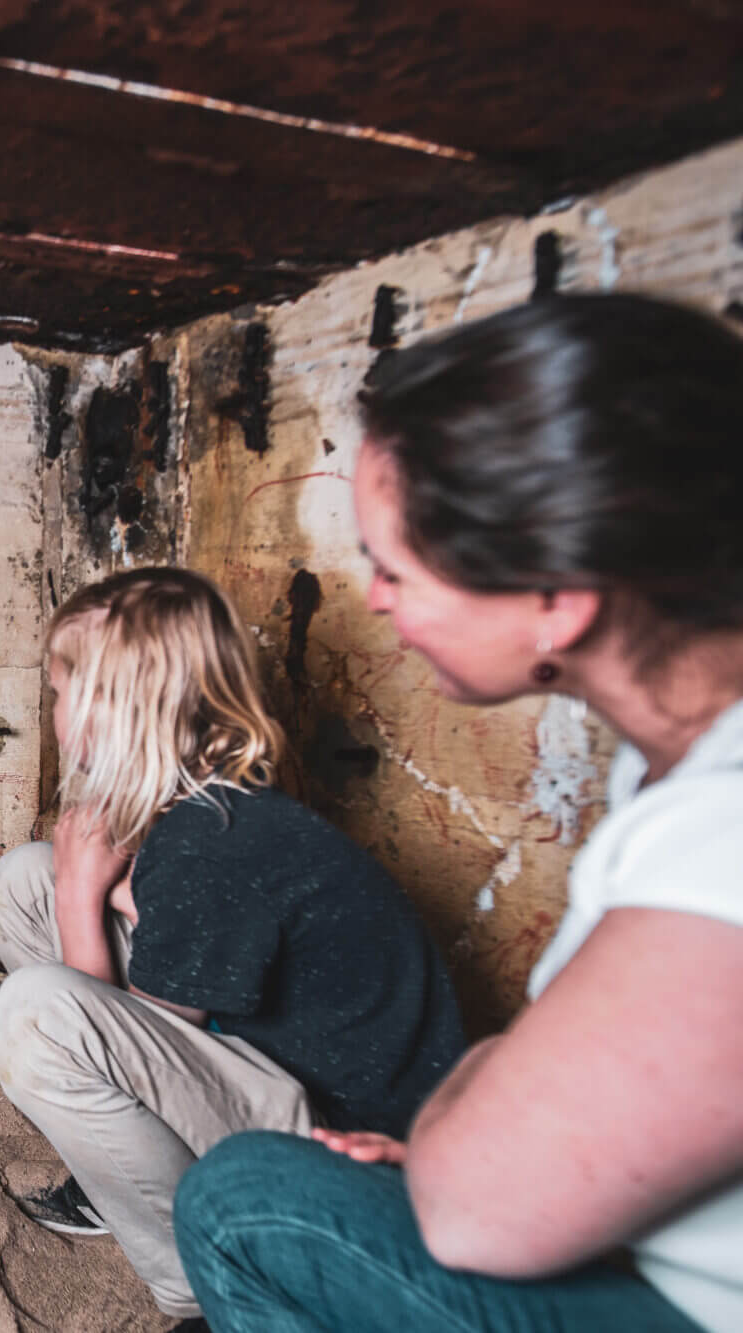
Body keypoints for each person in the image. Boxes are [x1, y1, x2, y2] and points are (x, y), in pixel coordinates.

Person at [175, 294, 743, 1332]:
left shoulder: (721, 833)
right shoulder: (676, 762)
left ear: (553, 597)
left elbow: (478, 1212)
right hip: (636, 1244)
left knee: (244, 1196)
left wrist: (456, 1130)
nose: (376, 599)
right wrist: (470, 1131)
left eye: (393, 567)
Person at [0, 567, 465, 1324]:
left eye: (58, 691)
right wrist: (88, 884)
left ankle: (196, 1281)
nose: (53, 709)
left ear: (114, 710)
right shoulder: (212, 809)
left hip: (348, 1149)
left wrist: (83, 895)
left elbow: (136, 1033)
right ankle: (124, 1180)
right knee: (22, 880)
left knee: (37, 1018)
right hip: (275, 1067)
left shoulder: (212, 840)